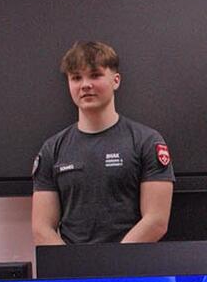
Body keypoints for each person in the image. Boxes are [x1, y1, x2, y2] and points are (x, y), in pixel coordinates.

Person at [30, 41, 176, 246]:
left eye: (95, 75)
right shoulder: (51, 150)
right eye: (76, 78)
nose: (85, 85)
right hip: (73, 265)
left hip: (131, 263)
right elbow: (41, 228)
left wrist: (110, 260)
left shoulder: (147, 142)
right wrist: (73, 263)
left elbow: (156, 221)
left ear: (116, 80)